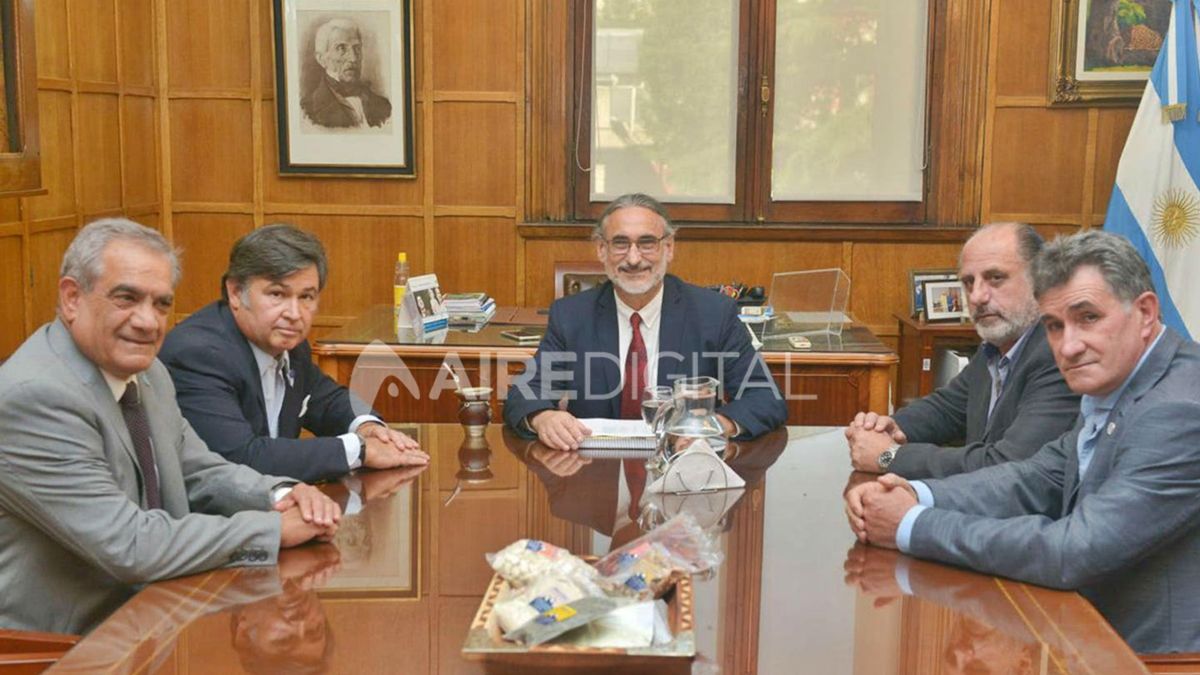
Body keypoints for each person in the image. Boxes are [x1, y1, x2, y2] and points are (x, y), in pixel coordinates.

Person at [845, 230, 1200, 654]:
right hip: (1078, 630)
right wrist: (915, 492)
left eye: (1088, 317)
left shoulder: (1179, 408)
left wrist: (910, 523)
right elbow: (1034, 477)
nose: (1068, 346)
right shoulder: (1119, 381)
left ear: (1144, 313)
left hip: (1149, 658)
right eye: (1054, 325)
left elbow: (1074, 550)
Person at [0, 219, 341, 635]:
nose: (147, 321)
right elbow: (129, 544)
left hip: (160, 612)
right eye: (127, 298)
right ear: (72, 298)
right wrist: (271, 529)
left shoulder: (148, 373)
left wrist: (280, 496)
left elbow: (199, 470)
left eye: (161, 304)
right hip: (67, 648)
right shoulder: (34, 398)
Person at [503, 193, 787, 450]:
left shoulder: (714, 313)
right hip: (593, 476)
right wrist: (542, 416)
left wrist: (713, 427)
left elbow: (764, 396)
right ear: (602, 250)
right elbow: (525, 392)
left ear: (669, 248)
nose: (634, 258)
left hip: (683, 474)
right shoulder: (571, 315)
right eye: (620, 243)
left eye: (647, 243)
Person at [160, 224, 427, 484]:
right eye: (277, 294)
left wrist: (368, 428)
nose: (294, 314)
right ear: (235, 293)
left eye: (306, 297)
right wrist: (360, 449)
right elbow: (241, 460)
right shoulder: (198, 354)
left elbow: (326, 400)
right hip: (217, 522)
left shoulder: (289, 344)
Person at [845, 223, 1079, 479]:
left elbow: (1009, 466)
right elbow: (946, 408)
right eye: (969, 282)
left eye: (995, 278)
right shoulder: (994, 349)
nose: (977, 296)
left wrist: (889, 456)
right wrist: (888, 428)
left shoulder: (1060, 355)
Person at [300, 17, 392, 129]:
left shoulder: (384, 106)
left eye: (357, 48)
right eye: (341, 48)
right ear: (321, 59)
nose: (353, 58)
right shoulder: (306, 111)